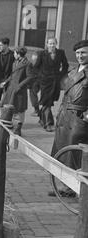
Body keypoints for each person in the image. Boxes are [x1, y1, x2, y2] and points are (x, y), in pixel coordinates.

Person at [48, 40, 88, 198]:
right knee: (63, 151)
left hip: (79, 119)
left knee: (75, 154)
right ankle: (69, 187)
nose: (80, 56)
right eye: (78, 53)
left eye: (84, 52)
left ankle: (78, 188)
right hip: (65, 118)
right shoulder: (73, 71)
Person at [33, 38, 69, 132]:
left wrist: (61, 75)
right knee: (47, 102)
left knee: (49, 101)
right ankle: (48, 124)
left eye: (53, 43)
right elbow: (36, 67)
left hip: (55, 81)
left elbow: (66, 65)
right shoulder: (42, 54)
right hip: (45, 82)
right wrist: (41, 77)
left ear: (56, 44)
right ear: (47, 44)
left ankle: (41, 119)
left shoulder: (61, 53)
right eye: (50, 44)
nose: (52, 45)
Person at [0, 47, 36, 136]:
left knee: (20, 109)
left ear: (18, 54)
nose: (13, 55)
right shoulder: (15, 62)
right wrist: (5, 82)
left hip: (20, 90)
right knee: (7, 106)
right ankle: (10, 124)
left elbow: (30, 77)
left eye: (14, 53)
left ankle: (18, 128)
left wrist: (19, 86)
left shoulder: (27, 64)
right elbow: (12, 75)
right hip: (11, 88)